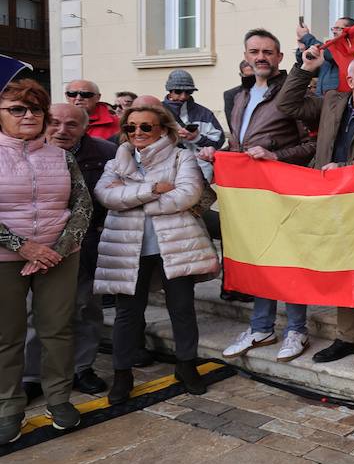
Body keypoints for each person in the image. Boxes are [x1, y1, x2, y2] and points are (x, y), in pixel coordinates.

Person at [277, 46, 354, 370]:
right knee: (341, 266)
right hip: (330, 201)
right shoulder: (332, 101)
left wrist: (345, 168)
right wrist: (305, 70)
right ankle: (349, 337)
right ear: (351, 80)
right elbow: (287, 104)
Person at [203, 29, 316, 364]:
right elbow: (241, 145)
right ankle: (261, 327)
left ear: (280, 57)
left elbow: (313, 143)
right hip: (250, 196)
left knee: (289, 260)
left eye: (268, 51)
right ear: (246, 56)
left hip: (284, 190)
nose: (261, 57)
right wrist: (220, 154)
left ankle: (297, 329)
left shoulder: (294, 93)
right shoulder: (239, 96)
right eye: (255, 51)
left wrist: (276, 157)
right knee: (261, 260)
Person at [94, 103, 219, 403]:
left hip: (175, 246)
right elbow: (105, 195)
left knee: (182, 310)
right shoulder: (117, 161)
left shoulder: (181, 156)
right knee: (127, 314)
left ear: (163, 129)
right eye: (130, 127)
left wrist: (132, 199)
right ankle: (123, 375)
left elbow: (187, 194)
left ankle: (187, 366)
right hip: (127, 248)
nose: (137, 132)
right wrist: (153, 190)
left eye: (146, 126)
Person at [0, 80, 91, 442]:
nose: (29, 116)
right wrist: (25, 247)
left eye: (36, 109)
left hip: (59, 255)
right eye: (17, 109)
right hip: (6, 257)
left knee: (57, 329)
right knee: (7, 335)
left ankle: (59, 399)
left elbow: (83, 203)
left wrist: (61, 246)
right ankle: (9, 407)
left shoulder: (61, 155)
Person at [23, 105, 116, 399]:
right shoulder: (23, 151)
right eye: (55, 123)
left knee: (85, 310)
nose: (62, 130)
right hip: (33, 248)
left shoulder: (104, 153)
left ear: (85, 127)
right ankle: (31, 375)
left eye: (72, 124)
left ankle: (81, 368)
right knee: (34, 314)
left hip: (84, 247)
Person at [162, 70, 225, 151]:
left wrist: (197, 138)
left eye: (188, 92)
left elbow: (218, 141)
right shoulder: (156, 112)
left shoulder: (205, 114)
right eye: (178, 91)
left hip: (199, 162)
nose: (183, 96)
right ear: (169, 91)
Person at [295, 16, 352, 98]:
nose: (334, 32)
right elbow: (309, 69)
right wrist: (302, 49)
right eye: (333, 28)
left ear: (350, 31)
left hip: (337, 102)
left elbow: (329, 53)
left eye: (339, 29)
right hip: (321, 100)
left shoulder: (350, 50)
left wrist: (306, 37)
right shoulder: (330, 50)